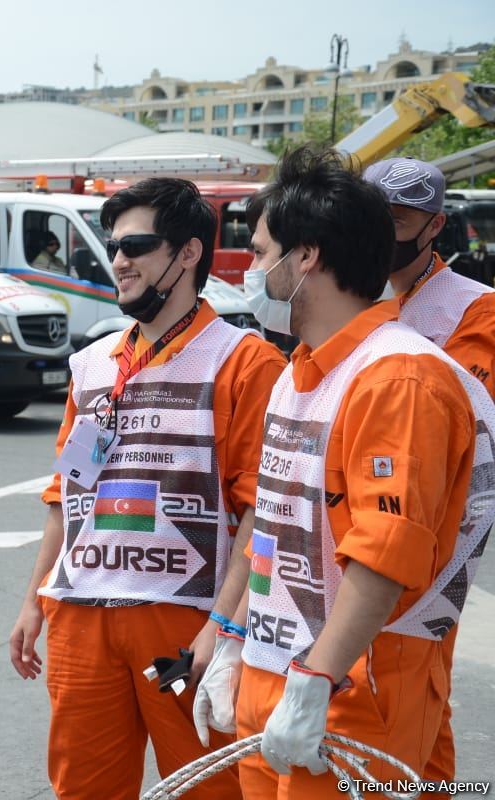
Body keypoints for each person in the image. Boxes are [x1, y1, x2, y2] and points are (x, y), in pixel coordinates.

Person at [212, 146, 495, 798]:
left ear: (305, 255)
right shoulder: (301, 370)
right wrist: (235, 636)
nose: (252, 272)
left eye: (259, 253)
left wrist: (315, 682)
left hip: (350, 686)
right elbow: (278, 523)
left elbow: (386, 552)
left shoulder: (399, 376)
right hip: (283, 668)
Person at [8, 177, 286, 800]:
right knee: (84, 789)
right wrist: (33, 600)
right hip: (80, 618)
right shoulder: (95, 362)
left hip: (181, 629)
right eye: (115, 247)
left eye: (137, 246)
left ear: (188, 253)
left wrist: (224, 630)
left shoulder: (243, 360)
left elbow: (259, 515)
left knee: (206, 787)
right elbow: (67, 491)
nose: (120, 261)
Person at [363, 156, 495, 797]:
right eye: (372, 215)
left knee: (407, 686)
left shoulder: (477, 311)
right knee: (420, 711)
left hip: (430, 535)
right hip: (345, 522)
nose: (382, 230)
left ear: (435, 225)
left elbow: (468, 415)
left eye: (399, 218)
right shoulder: (341, 289)